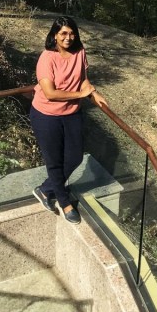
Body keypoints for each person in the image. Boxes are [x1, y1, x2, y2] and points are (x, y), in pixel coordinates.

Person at [30, 16, 108, 224]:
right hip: (46, 115)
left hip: (71, 113)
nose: (68, 37)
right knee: (54, 162)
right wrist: (81, 95)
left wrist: (93, 93)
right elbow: (50, 93)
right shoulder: (47, 58)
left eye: (72, 33)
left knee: (75, 158)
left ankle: (45, 190)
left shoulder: (79, 52)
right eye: (63, 33)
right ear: (54, 35)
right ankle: (64, 202)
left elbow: (82, 79)